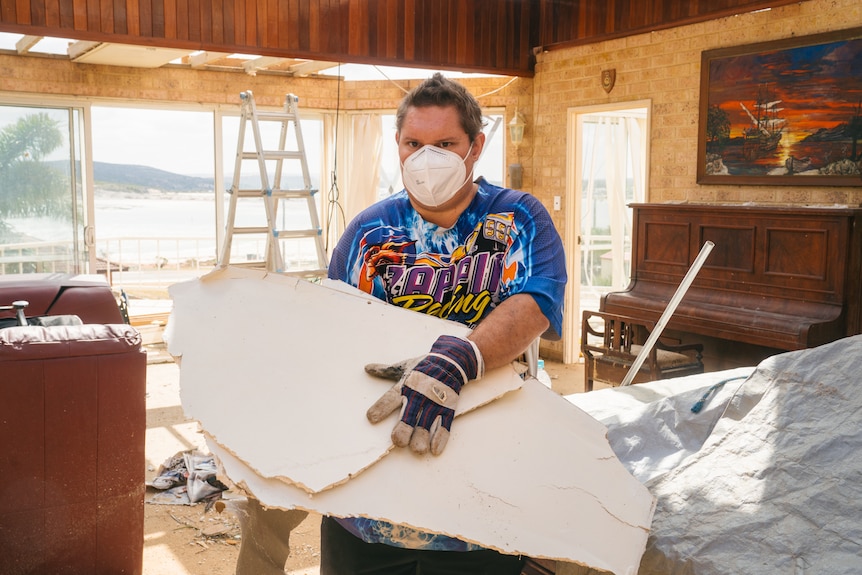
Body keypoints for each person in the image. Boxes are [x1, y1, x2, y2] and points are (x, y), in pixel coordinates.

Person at [320, 72, 567, 575]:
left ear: (474, 147)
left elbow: (539, 301)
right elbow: (330, 325)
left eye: (444, 143)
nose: (426, 158)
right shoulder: (369, 230)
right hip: (369, 495)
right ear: (397, 145)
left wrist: (462, 357)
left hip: (481, 494)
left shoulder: (519, 217)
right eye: (414, 143)